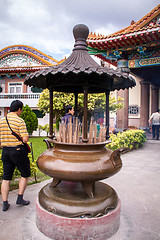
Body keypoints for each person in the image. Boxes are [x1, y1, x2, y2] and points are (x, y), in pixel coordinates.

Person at [0, 100, 31, 211]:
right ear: (19, 109)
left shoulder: (2, 121)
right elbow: (25, 139)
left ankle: (4, 203)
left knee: (6, 178)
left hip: (6, 152)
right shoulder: (19, 121)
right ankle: (20, 198)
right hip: (18, 151)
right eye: (21, 110)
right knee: (25, 173)